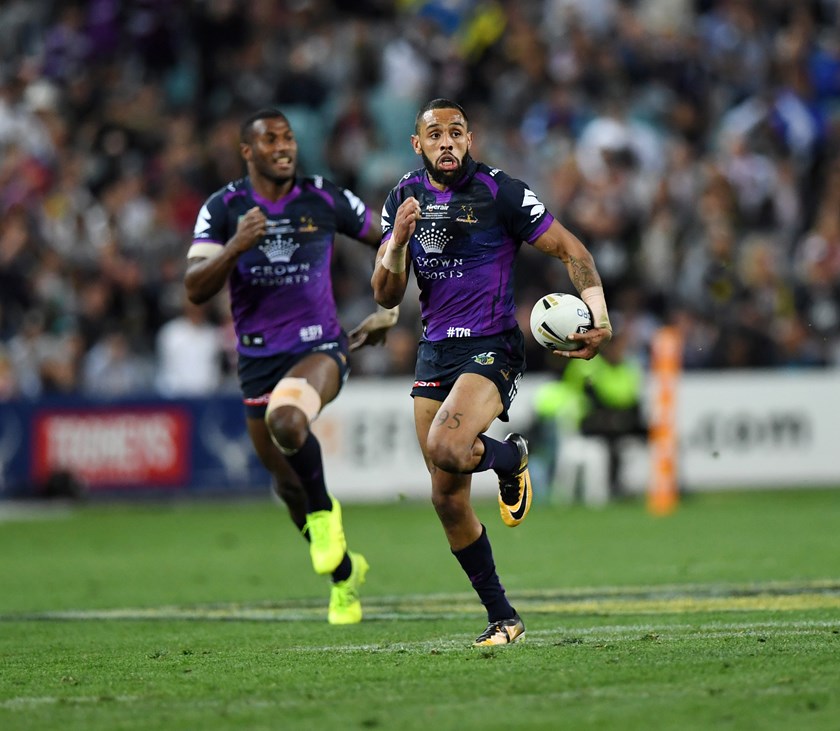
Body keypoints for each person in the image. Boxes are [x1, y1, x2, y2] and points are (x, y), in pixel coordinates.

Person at [372, 98, 613, 646]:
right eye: (435, 135)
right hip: (435, 352)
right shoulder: (401, 198)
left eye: (456, 132)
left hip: (492, 348)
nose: (447, 142)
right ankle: (503, 617)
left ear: (470, 138)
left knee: (450, 448)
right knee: (446, 497)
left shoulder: (501, 191)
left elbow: (571, 249)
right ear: (418, 145)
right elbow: (385, 294)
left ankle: (510, 456)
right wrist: (396, 246)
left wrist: (599, 316)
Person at [184, 107, 398, 625]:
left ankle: (326, 516)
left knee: (288, 421)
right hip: (258, 359)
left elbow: (388, 237)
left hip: (319, 348)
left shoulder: (322, 196)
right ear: (247, 151)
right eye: (271, 139)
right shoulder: (224, 208)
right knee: (285, 486)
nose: (284, 147)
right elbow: (194, 287)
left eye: (289, 139)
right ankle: (345, 576)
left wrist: (389, 306)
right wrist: (236, 245)